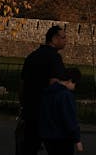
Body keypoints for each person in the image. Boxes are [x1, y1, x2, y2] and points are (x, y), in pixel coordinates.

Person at [18, 25, 67, 155]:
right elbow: (54, 83)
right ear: (54, 39)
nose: (65, 41)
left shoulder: (32, 56)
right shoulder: (54, 58)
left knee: (29, 147)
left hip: (31, 109)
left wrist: (23, 104)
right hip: (47, 112)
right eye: (63, 38)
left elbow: (22, 83)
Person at [40, 67, 83, 154]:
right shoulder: (65, 95)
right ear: (70, 81)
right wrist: (77, 140)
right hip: (62, 137)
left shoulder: (47, 93)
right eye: (75, 84)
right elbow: (70, 118)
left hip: (48, 136)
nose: (74, 87)